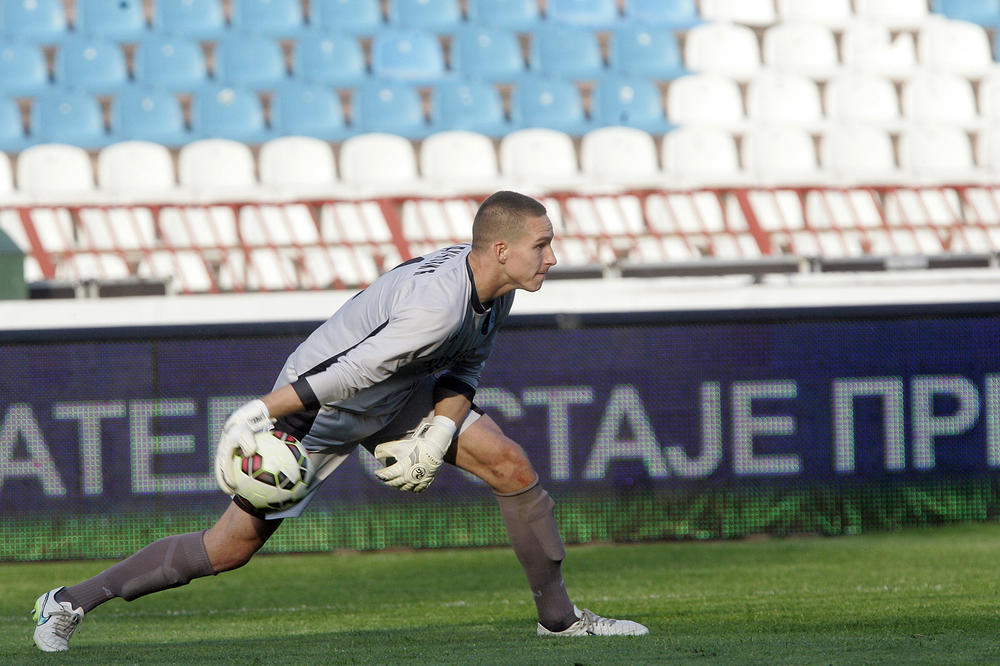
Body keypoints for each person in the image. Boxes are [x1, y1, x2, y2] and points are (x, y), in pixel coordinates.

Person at [31, 191, 649, 652]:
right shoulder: (439, 306)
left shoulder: (497, 290)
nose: (553, 256)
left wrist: (436, 434)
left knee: (512, 466)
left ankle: (560, 621)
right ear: (501, 249)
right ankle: (68, 602)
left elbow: (463, 373)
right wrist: (260, 411)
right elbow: (350, 371)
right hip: (315, 409)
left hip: (391, 396)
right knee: (223, 552)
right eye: (543, 245)